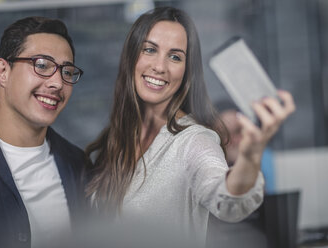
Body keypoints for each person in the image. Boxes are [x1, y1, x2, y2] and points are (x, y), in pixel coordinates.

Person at [85, 6, 295, 246]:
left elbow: (227, 199)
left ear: (186, 72)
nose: (160, 66)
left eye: (175, 56)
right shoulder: (116, 139)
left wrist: (249, 157)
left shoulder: (194, 140)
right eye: (150, 50)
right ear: (131, 56)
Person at [0, 16, 87, 248]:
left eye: (67, 71)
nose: (57, 82)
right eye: (42, 65)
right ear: (2, 71)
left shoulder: (78, 166)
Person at [214, 99, 276, 193]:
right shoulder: (209, 166)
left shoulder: (263, 156)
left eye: (238, 131)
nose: (233, 140)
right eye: (225, 134)